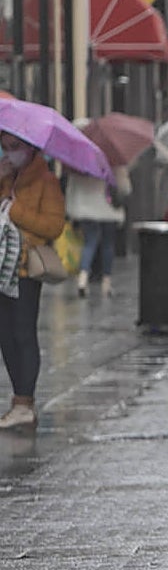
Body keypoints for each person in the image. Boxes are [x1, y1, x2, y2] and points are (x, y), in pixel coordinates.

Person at [0, 132, 65, 429]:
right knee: (6, 336)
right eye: (5, 147)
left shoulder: (46, 182)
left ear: (29, 148)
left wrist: (16, 210)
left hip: (25, 269)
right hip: (2, 267)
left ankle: (24, 402)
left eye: (15, 147)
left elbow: (53, 226)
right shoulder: (6, 178)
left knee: (23, 333)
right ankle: (19, 400)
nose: (9, 153)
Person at [65, 165, 131, 298]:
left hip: (86, 208)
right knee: (108, 244)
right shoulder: (113, 159)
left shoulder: (81, 159)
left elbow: (71, 187)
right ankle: (106, 284)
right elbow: (125, 188)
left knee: (89, 242)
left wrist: (70, 211)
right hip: (109, 208)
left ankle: (82, 280)